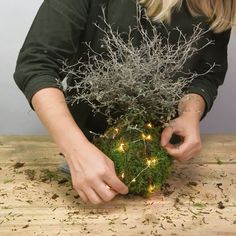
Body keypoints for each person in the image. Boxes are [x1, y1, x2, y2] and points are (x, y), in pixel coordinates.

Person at [14, 0, 235, 204]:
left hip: (158, 158)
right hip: (88, 154)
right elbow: (37, 65)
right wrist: (76, 151)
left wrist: (190, 113)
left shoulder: (218, 4)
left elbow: (206, 74)